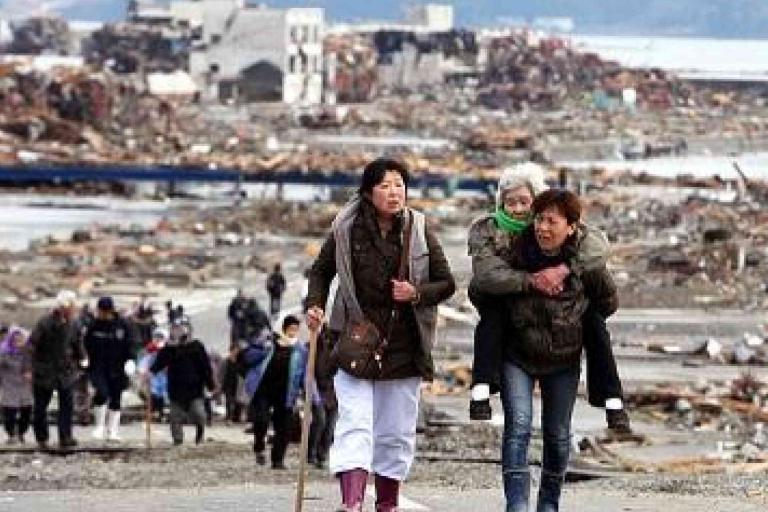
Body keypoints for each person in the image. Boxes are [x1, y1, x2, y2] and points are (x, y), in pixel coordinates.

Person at [306, 158, 456, 512]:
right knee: (354, 423)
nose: (394, 192)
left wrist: (415, 293)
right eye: (385, 185)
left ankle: (387, 504)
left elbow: (446, 283)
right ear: (368, 192)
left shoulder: (418, 229)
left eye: (399, 185)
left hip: (403, 346)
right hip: (355, 341)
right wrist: (315, 305)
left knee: (396, 430)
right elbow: (321, 271)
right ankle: (352, 503)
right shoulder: (345, 228)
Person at [468, 163, 631, 434]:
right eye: (510, 202)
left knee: (557, 433)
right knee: (518, 426)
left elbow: (598, 248)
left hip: (562, 339)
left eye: (525, 202)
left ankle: (613, 401)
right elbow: (484, 278)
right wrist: (532, 282)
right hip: (516, 338)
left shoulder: (560, 233)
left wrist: (563, 271)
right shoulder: (490, 232)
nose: (518, 209)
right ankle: (481, 388)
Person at [486, 190, 619, 512]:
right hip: (517, 355)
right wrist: (526, 282)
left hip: (564, 357)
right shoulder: (514, 251)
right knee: (518, 425)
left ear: (571, 227)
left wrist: (577, 307)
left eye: (552, 221)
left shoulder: (586, 262)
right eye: (539, 219)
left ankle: (549, 504)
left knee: (558, 435)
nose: (543, 228)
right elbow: (481, 286)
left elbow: (608, 301)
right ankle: (516, 505)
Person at [239, 315, 310, 469]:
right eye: (291, 329)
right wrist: (266, 347)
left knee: (283, 428)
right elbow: (248, 357)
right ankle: (259, 447)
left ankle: (277, 460)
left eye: (296, 329)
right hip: (264, 390)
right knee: (261, 420)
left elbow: (305, 373)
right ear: (284, 328)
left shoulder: (300, 350)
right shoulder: (269, 344)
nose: (293, 332)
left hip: (286, 393)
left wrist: (308, 393)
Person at [30, 290, 87, 450]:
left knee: (67, 405)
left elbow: (77, 343)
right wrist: (30, 367)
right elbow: (33, 345)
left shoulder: (74, 323)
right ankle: (42, 438)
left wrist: (83, 358)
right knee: (41, 406)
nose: (74, 309)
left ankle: (65, 437)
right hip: (45, 369)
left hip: (65, 371)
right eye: (72, 307)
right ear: (64, 307)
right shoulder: (45, 322)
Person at [150, 317, 214, 445]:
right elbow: (160, 362)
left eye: (180, 328)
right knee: (175, 417)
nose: (177, 331)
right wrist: (151, 372)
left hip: (194, 389)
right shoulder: (169, 348)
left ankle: (200, 433)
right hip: (175, 389)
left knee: (199, 414)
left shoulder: (196, 346)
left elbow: (205, 366)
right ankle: (178, 441)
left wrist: (210, 384)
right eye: (175, 328)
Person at [84, 296, 137, 441]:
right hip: (98, 366)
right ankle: (99, 426)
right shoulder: (94, 326)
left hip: (118, 366)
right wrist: (84, 358)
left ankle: (113, 430)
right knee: (101, 393)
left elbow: (131, 343)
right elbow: (86, 343)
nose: (102, 315)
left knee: (116, 397)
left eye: (105, 312)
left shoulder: (123, 325)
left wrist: (131, 360)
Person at [308, 324, 338, 469]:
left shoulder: (340, 348)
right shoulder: (314, 347)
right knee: (320, 421)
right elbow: (310, 371)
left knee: (330, 427)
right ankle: (311, 453)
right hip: (318, 390)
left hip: (334, 392)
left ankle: (322, 455)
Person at [0, 327, 33, 444]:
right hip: (9, 385)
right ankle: (11, 434)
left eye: (21, 340)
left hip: (25, 387)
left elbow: (33, 367)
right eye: (16, 340)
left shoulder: (28, 353)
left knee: (26, 411)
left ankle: (21, 433)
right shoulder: (4, 353)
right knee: (9, 412)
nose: (19, 343)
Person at [138, 328, 169, 422]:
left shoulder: (169, 349)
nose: (158, 339)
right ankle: (153, 411)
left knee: (162, 394)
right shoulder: (149, 349)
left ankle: (161, 412)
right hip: (153, 375)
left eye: (161, 337)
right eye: (157, 336)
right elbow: (145, 361)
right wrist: (143, 371)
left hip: (164, 376)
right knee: (152, 393)